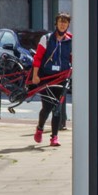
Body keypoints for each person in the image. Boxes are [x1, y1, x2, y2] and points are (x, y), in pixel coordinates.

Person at [30, 13, 72, 146]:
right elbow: (37, 58)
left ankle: (54, 137)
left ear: (68, 25)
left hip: (61, 78)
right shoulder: (46, 39)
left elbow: (73, 59)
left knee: (58, 107)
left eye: (65, 23)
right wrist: (35, 76)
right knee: (47, 107)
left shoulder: (71, 41)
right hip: (46, 78)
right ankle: (40, 128)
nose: (62, 24)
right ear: (56, 23)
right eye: (60, 22)